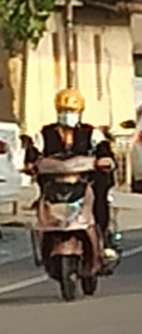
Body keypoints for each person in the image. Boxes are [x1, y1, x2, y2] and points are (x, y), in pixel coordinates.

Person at [25, 89, 115, 242]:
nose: (67, 114)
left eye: (72, 111)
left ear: (80, 112)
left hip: (84, 181)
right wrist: (30, 163)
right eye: (63, 111)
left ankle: (102, 238)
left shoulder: (90, 132)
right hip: (54, 182)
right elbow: (34, 151)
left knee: (99, 199)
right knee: (44, 202)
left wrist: (104, 159)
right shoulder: (46, 132)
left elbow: (103, 149)